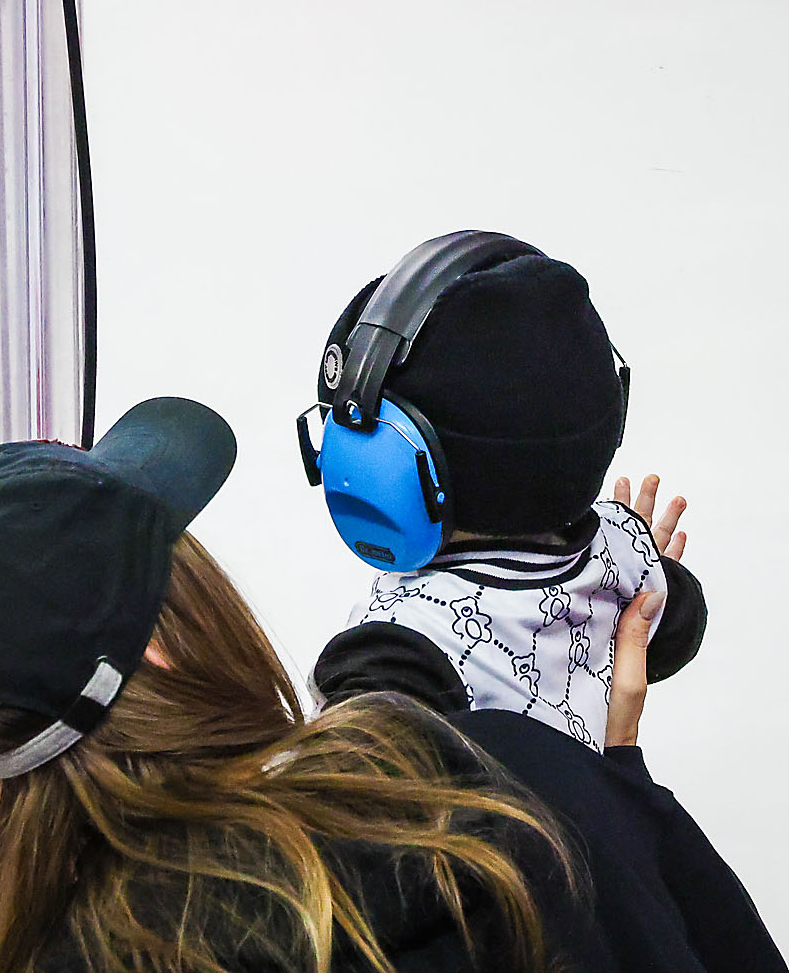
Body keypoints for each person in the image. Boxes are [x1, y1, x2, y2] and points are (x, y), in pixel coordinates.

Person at [0, 397, 618, 973]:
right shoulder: (419, 841)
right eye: (176, 555)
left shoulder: (25, 943)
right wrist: (616, 781)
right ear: (158, 650)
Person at [299, 231, 706, 750]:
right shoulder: (620, 550)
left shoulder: (401, 648)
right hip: (591, 819)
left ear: (391, 456)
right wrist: (639, 553)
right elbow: (678, 622)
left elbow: (345, 784)